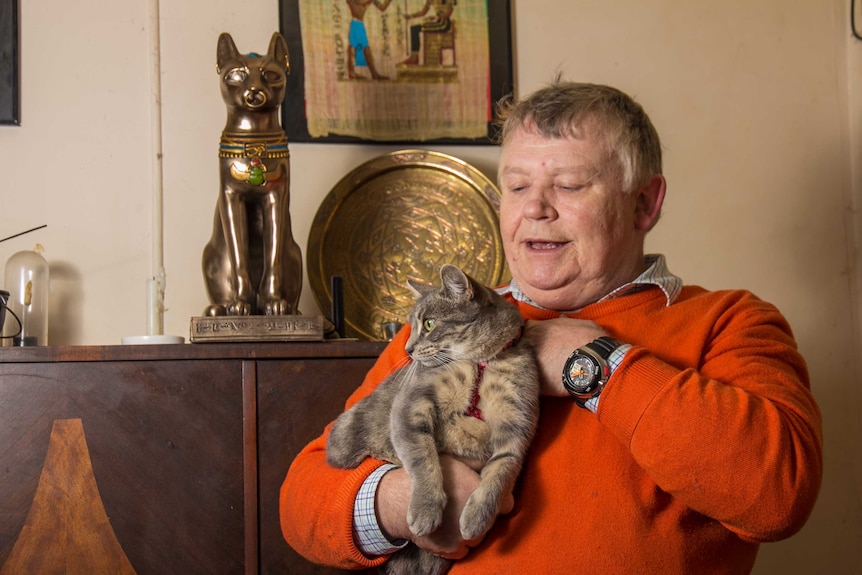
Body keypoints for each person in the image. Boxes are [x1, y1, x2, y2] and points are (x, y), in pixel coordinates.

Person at [279, 80, 823, 574]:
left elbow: (777, 497)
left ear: (644, 203)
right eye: (516, 187)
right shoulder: (441, 331)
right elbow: (302, 501)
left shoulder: (729, 321)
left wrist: (599, 365)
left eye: (568, 184)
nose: (535, 209)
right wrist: (397, 502)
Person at [347, 0, 393, 79]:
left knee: (363, 48)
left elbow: (382, 8)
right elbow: (360, 2)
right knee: (357, 47)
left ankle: (372, 73)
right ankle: (354, 72)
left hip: (359, 23)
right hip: (355, 22)